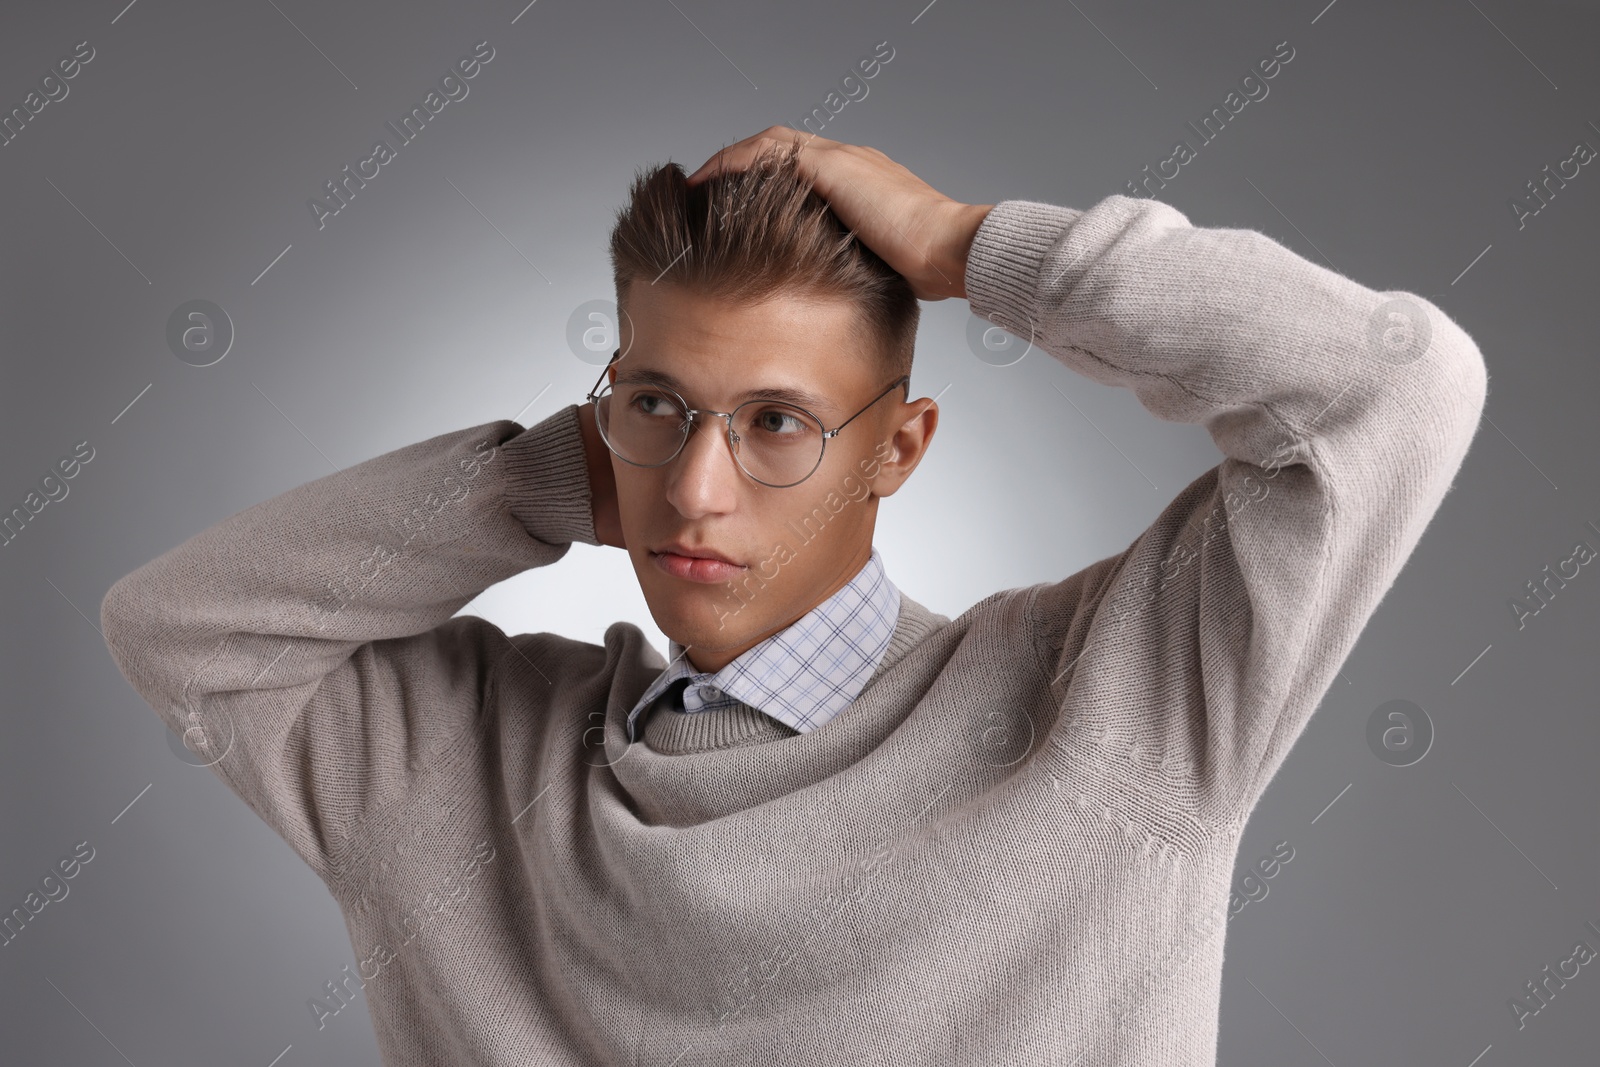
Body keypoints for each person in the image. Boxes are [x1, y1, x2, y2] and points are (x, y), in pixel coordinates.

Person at [99, 127, 1488, 1065]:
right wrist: (544, 479)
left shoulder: (1117, 712)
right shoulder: (459, 772)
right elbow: (183, 628)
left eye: (776, 423)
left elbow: (1393, 386)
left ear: (900, 447)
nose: (696, 492)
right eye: (658, 406)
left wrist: (970, 246)